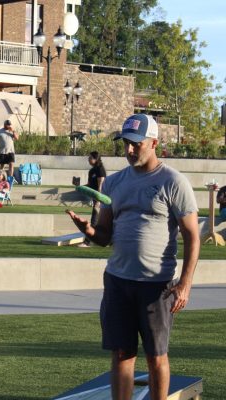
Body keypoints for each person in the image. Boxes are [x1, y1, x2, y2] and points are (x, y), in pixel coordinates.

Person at [66, 114, 200, 400]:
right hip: (118, 281)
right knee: (122, 353)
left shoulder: (173, 182)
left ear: (154, 143)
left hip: (157, 284)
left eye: (136, 144)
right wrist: (88, 229)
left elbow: (192, 235)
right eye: (126, 143)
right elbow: (104, 236)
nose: (128, 150)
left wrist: (185, 283)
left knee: (156, 356)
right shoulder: (114, 183)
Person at [78, 151, 107, 248]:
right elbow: (90, 185)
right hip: (95, 198)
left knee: (94, 220)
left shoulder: (100, 170)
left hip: (102, 199)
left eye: (90, 158)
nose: (88, 159)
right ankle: (108, 241)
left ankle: (87, 242)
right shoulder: (91, 171)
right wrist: (79, 187)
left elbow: (100, 187)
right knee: (99, 221)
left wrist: (98, 201)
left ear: (96, 159)